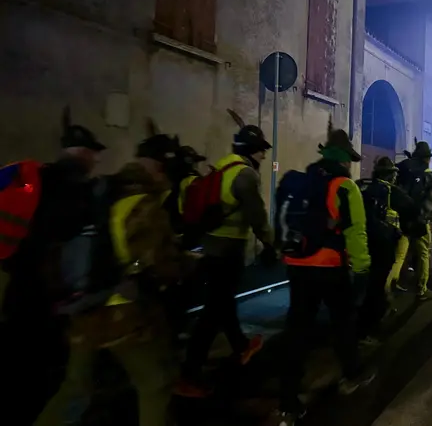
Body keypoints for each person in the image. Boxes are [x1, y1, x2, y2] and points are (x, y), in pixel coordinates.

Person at [34, 128, 190, 426]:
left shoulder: (102, 190)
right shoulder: (142, 202)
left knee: (76, 387)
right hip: (121, 314)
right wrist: (187, 264)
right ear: (159, 168)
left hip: (81, 306)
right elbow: (160, 264)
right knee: (156, 383)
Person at [1, 107, 106, 425]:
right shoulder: (78, 190)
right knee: (45, 374)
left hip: (17, 285)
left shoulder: (39, 177)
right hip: (50, 297)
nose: (96, 161)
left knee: (15, 361)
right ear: (85, 154)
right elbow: (76, 247)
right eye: (94, 154)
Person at [274, 122, 374, 425]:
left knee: (297, 330)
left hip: (298, 265)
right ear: (343, 159)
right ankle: (352, 375)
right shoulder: (345, 187)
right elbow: (356, 232)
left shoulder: (302, 181)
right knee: (343, 321)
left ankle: (288, 403)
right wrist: (362, 267)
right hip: (330, 266)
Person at [176, 109, 275, 398]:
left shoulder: (221, 168)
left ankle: (242, 346)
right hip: (228, 252)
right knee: (213, 313)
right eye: (262, 152)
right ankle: (189, 373)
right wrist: (270, 245)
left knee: (222, 303)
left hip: (211, 248)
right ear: (253, 152)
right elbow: (257, 216)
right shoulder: (245, 175)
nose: (264, 157)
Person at [356, 157, 415, 344]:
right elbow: (411, 208)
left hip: (362, 242)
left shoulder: (361, 187)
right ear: (391, 175)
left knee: (366, 283)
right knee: (377, 284)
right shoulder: (390, 191)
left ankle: (375, 311)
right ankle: (367, 329)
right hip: (383, 243)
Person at [391, 140, 432, 301]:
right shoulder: (429, 174)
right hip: (420, 220)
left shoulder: (403, 169)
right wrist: (431, 214)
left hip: (402, 218)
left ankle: (390, 285)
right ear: (426, 158)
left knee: (399, 255)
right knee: (423, 254)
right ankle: (422, 289)